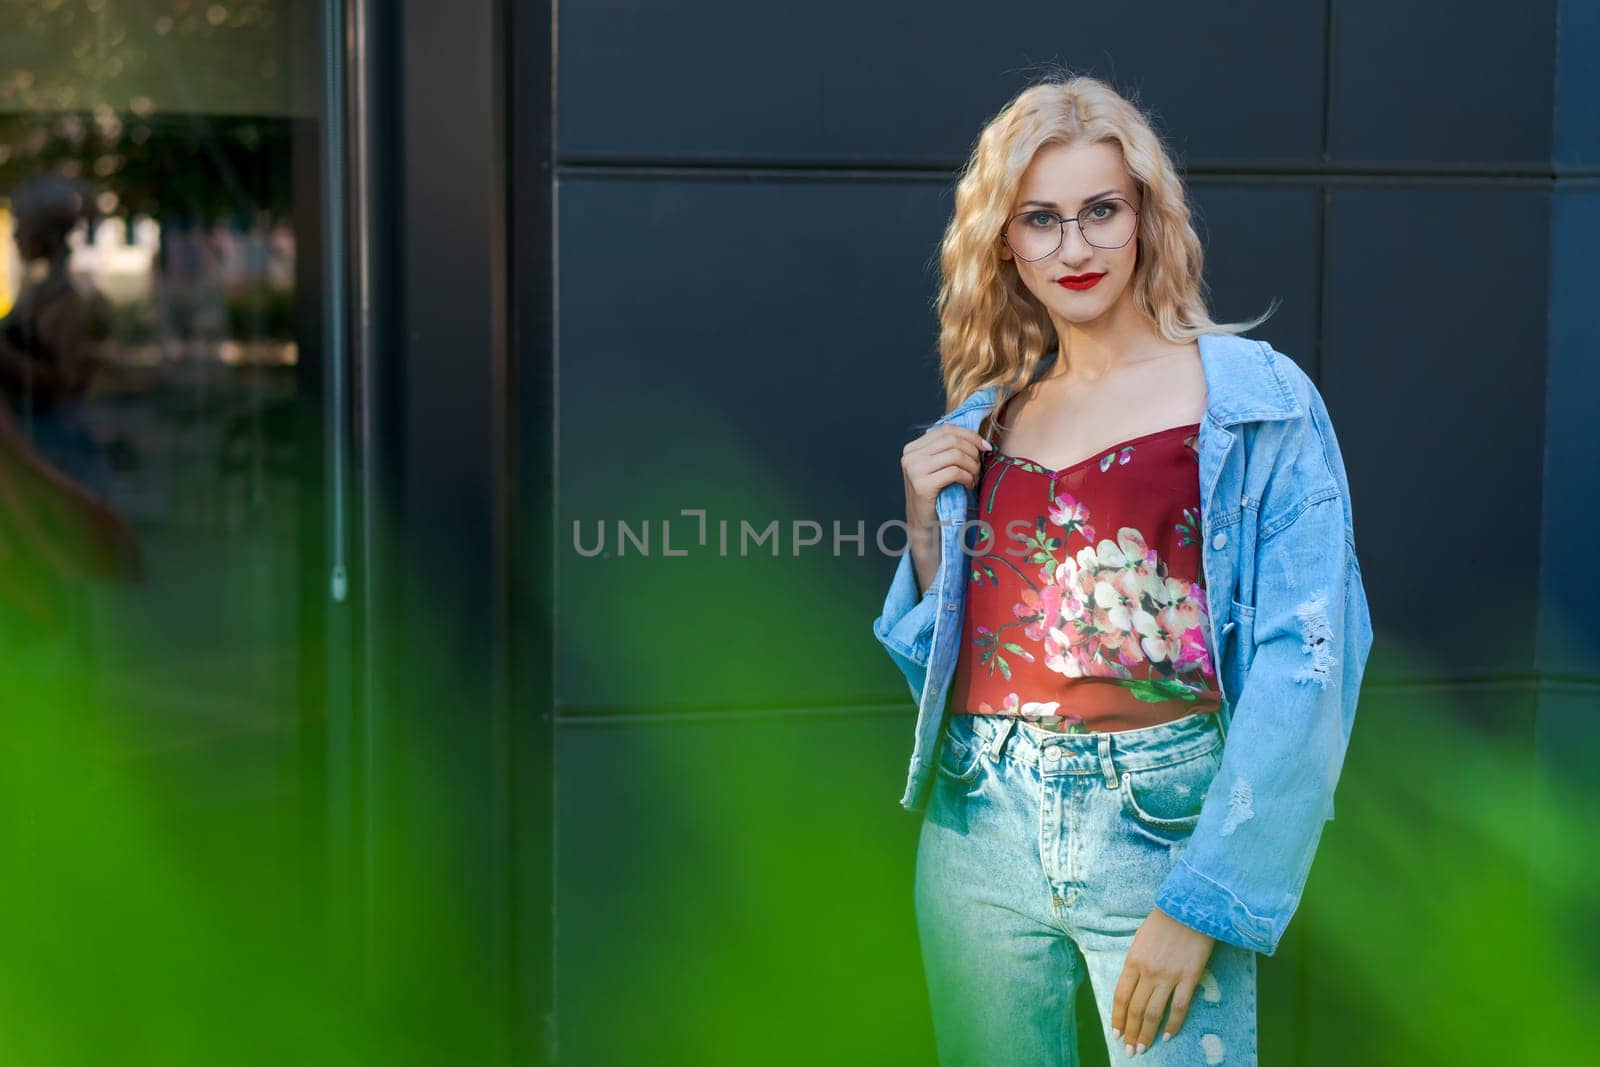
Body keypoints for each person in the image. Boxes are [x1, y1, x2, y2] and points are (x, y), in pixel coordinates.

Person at [870, 72, 1373, 1066]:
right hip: (976, 822)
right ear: (1005, 241)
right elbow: (948, 666)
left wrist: (1207, 897)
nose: (1074, 246)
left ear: (1144, 214)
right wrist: (926, 531)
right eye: (1041, 218)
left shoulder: (1254, 402)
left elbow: (1307, 660)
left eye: (1100, 209)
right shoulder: (986, 420)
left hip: (1162, 821)